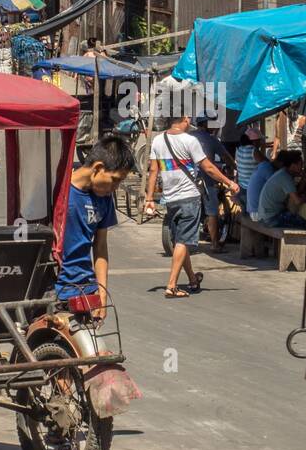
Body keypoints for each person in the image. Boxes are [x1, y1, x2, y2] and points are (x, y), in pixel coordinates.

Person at [144, 112, 238, 299]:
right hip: (188, 197)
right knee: (183, 241)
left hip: (170, 198)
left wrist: (149, 198)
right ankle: (171, 285)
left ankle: (193, 279)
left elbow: (153, 171)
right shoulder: (190, 141)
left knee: (181, 240)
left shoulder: (158, 140)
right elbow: (208, 167)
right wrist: (229, 183)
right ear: (185, 119)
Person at [56, 135, 136, 316]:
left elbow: (100, 247)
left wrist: (101, 295)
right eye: (115, 179)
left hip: (85, 290)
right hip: (54, 290)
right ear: (98, 168)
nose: (116, 187)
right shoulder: (58, 189)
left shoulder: (105, 199)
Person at [191, 115, 233, 251]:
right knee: (212, 211)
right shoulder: (212, 140)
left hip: (188, 179)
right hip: (206, 179)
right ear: (208, 124)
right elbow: (226, 158)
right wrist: (235, 166)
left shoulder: (188, 136)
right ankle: (215, 244)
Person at [257, 150, 306, 230]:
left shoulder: (283, 173)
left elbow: (296, 192)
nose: (302, 167)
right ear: (293, 165)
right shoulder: (286, 178)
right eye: (300, 164)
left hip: (266, 215)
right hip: (271, 218)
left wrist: (304, 176)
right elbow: (297, 201)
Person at [246, 146, 277, 221]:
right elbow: (277, 187)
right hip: (258, 214)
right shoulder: (267, 168)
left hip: (252, 211)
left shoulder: (260, 167)